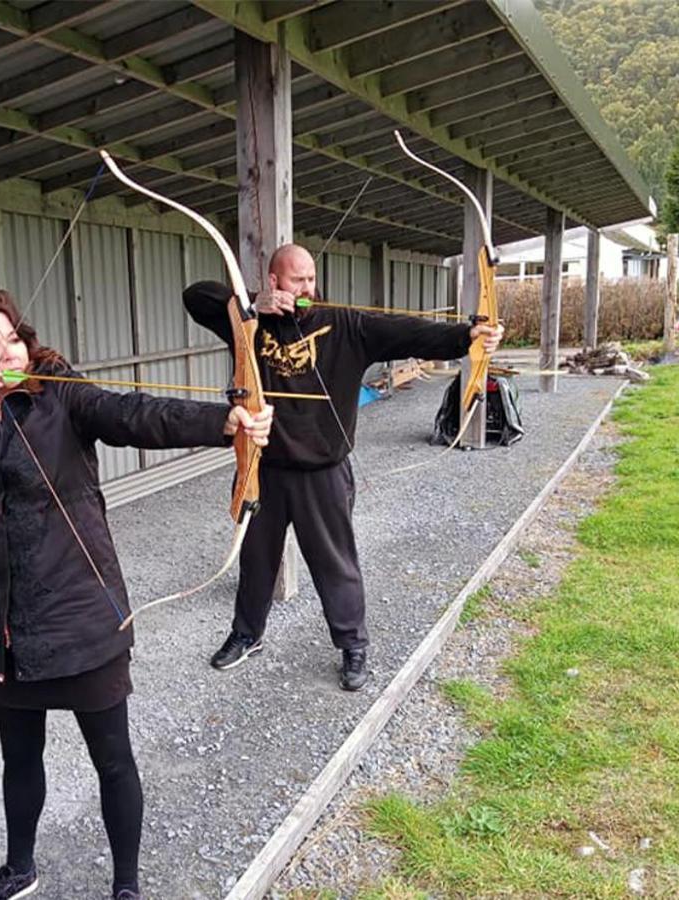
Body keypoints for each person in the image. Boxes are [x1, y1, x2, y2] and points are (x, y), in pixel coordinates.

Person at [0, 288, 273, 900]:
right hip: (5, 629)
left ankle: (126, 886)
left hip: (79, 617)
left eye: (12, 337)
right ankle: (22, 868)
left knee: (114, 761)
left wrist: (226, 422)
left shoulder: (62, 394)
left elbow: (134, 415)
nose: (7, 352)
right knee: (20, 759)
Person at [183, 244, 503, 691]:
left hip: (324, 471)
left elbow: (410, 333)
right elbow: (196, 297)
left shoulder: (346, 325)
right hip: (264, 467)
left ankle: (353, 645)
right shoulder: (247, 324)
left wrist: (469, 334)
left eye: (312, 279)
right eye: (298, 280)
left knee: (336, 564)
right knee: (256, 560)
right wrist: (252, 305)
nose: (308, 288)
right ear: (275, 281)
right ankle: (246, 634)